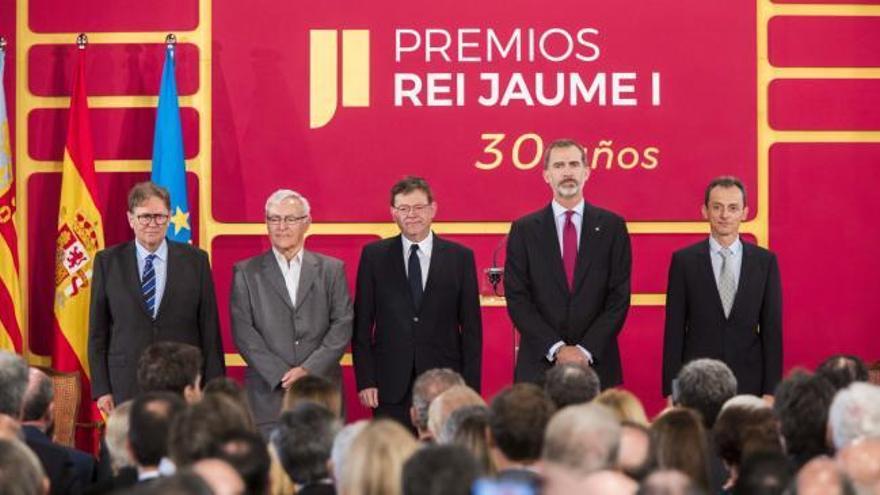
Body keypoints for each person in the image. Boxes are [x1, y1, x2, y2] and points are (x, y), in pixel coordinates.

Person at [353, 176, 482, 426]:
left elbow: (472, 330)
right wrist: (366, 380)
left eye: (418, 207)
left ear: (433, 209)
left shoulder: (460, 258)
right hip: (388, 385)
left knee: (442, 459)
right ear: (393, 213)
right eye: (403, 208)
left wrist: (470, 388)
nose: (411, 215)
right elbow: (361, 326)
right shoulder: (374, 257)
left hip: (444, 386)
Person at [504, 138, 631, 387]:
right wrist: (557, 349)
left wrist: (585, 350)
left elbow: (619, 298)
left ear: (586, 172)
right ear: (546, 175)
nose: (567, 172)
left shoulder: (612, 227)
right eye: (559, 165)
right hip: (539, 370)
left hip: (597, 368)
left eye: (574, 164)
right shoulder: (524, 230)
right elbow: (518, 298)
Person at [88, 181, 225, 413]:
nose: (152, 223)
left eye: (159, 216)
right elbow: (97, 332)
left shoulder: (196, 261)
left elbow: (210, 330)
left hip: (183, 382)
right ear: (130, 219)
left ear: (169, 217)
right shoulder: (107, 262)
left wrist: (212, 388)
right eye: (144, 217)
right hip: (126, 381)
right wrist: (102, 388)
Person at [230, 189, 353, 436]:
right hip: (268, 394)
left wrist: (308, 370)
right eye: (274, 219)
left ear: (306, 222)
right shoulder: (246, 272)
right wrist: (281, 375)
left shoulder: (331, 270)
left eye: (290, 219)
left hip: (321, 392)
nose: (281, 226)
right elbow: (243, 332)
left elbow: (343, 324)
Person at [662, 176, 782, 398]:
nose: (725, 215)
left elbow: (772, 331)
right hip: (696, 382)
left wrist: (771, 391)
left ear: (745, 213)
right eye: (717, 207)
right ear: (704, 211)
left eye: (732, 208)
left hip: (750, 383)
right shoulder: (684, 261)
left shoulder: (765, 262)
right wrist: (673, 391)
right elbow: (674, 331)